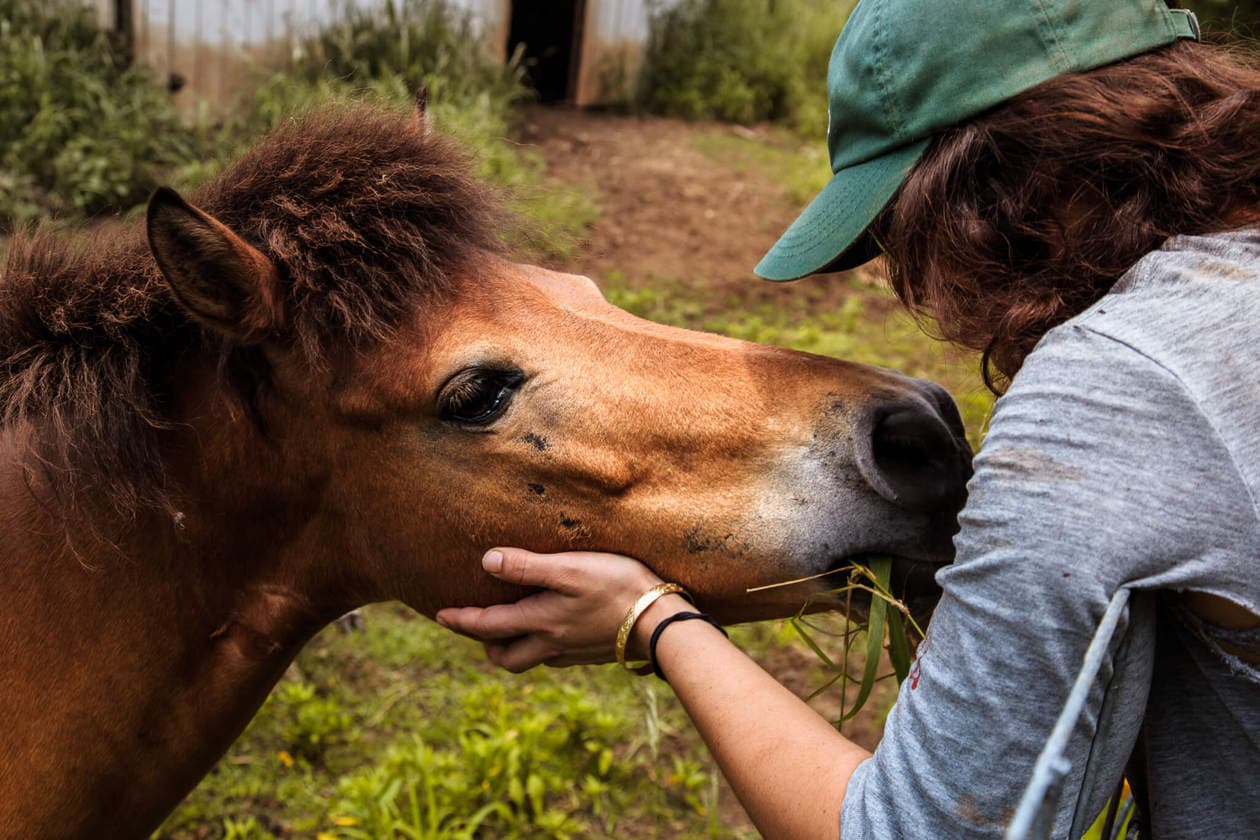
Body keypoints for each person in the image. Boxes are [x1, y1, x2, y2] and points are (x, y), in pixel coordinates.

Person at [437, 1, 1260, 836]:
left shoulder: (1116, 392)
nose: (922, 288)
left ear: (985, 188)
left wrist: (655, 621)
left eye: (902, 231)